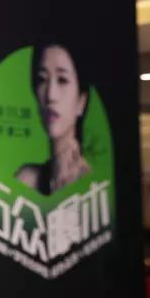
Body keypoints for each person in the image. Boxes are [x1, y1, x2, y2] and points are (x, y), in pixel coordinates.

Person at [15, 43, 90, 195]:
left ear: (81, 101)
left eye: (62, 80)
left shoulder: (91, 181)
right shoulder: (26, 179)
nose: (50, 95)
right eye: (42, 79)